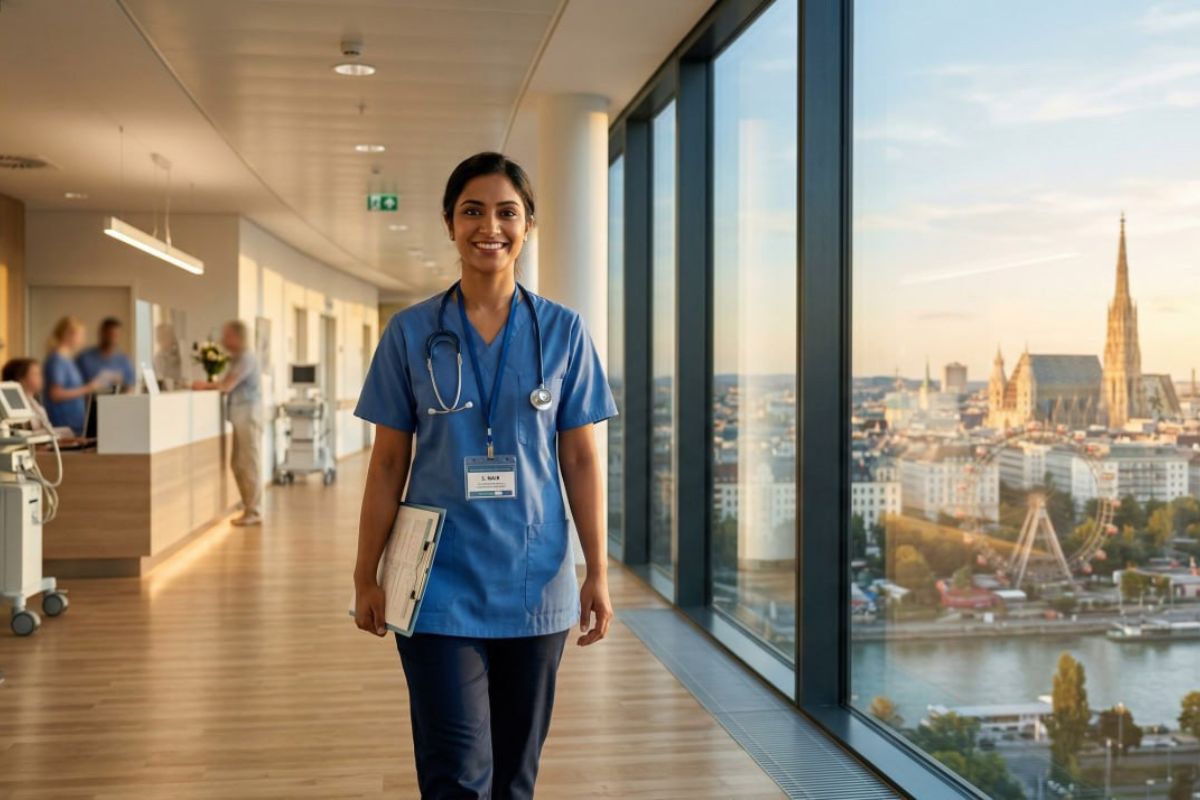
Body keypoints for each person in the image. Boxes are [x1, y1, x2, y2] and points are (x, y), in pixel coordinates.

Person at [353, 152, 617, 800]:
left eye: (507, 211)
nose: (488, 226)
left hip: (535, 580)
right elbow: (389, 462)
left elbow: (580, 459)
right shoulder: (411, 333)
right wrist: (366, 572)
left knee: (512, 781)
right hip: (435, 581)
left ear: (528, 225)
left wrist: (599, 572)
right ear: (449, 223)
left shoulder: (562, 332)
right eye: (472, 210)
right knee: (455, 777)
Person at [192, 321, 263, 526]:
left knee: (248, 464)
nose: (223, 340)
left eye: (227, 335)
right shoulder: (238, 358)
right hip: (241, 415)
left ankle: (254, 511)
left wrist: (202, 386)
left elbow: (226, 385)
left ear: (237, 337)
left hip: (248, 415)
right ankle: (249, 506)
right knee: (239, 463)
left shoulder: (246, 358)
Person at [43, 316, 109, 436]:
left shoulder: (68, 359)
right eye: (81, 335)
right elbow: (55, 394)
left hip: (75, 422)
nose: (83, 339)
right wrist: (88, 388)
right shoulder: (57, 360)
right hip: (64, 424)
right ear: (69, 335)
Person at [76, 317, 137, 393]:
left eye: (115, 335)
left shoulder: (124, 360)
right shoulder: (84, 357)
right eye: (109, 334)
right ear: (101, 333)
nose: (112, 338)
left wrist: (121, 383)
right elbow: (74, 386)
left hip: (117, 402)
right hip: (90, 402)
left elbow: (130, 386)